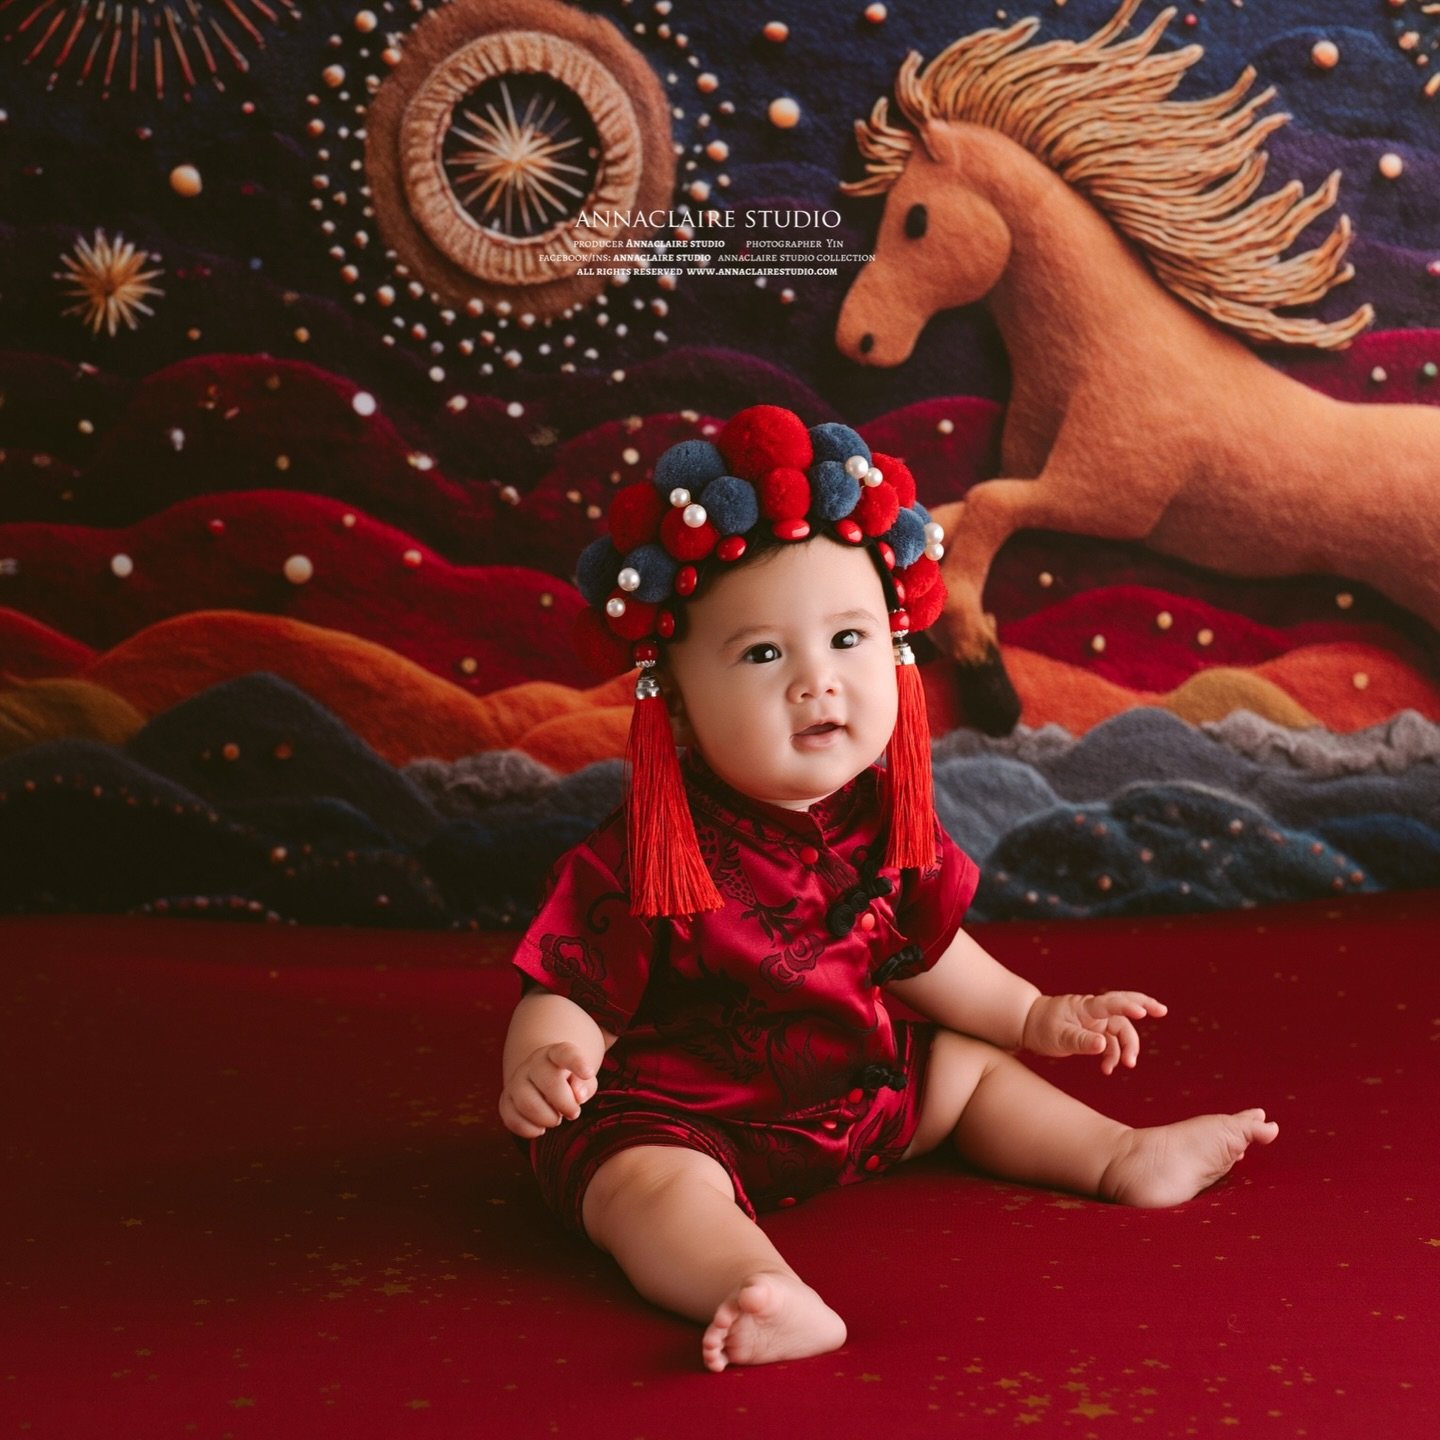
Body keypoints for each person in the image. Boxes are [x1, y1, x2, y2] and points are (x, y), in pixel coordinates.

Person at [499, 405, 1278, 1373]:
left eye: (848, 639)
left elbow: (927, 954)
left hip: (852, 1091)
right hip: (686, 1115)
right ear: (679, 702)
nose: (817, 682)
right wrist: (551, 1058)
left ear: (899, 652)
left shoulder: (880, 814)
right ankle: (755, 1284)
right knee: (642, 1189)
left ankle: (1119, 1155)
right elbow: (571, 987)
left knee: (969, 1069)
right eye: (763, 654)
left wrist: (1035, 1014)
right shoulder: (646, 848)